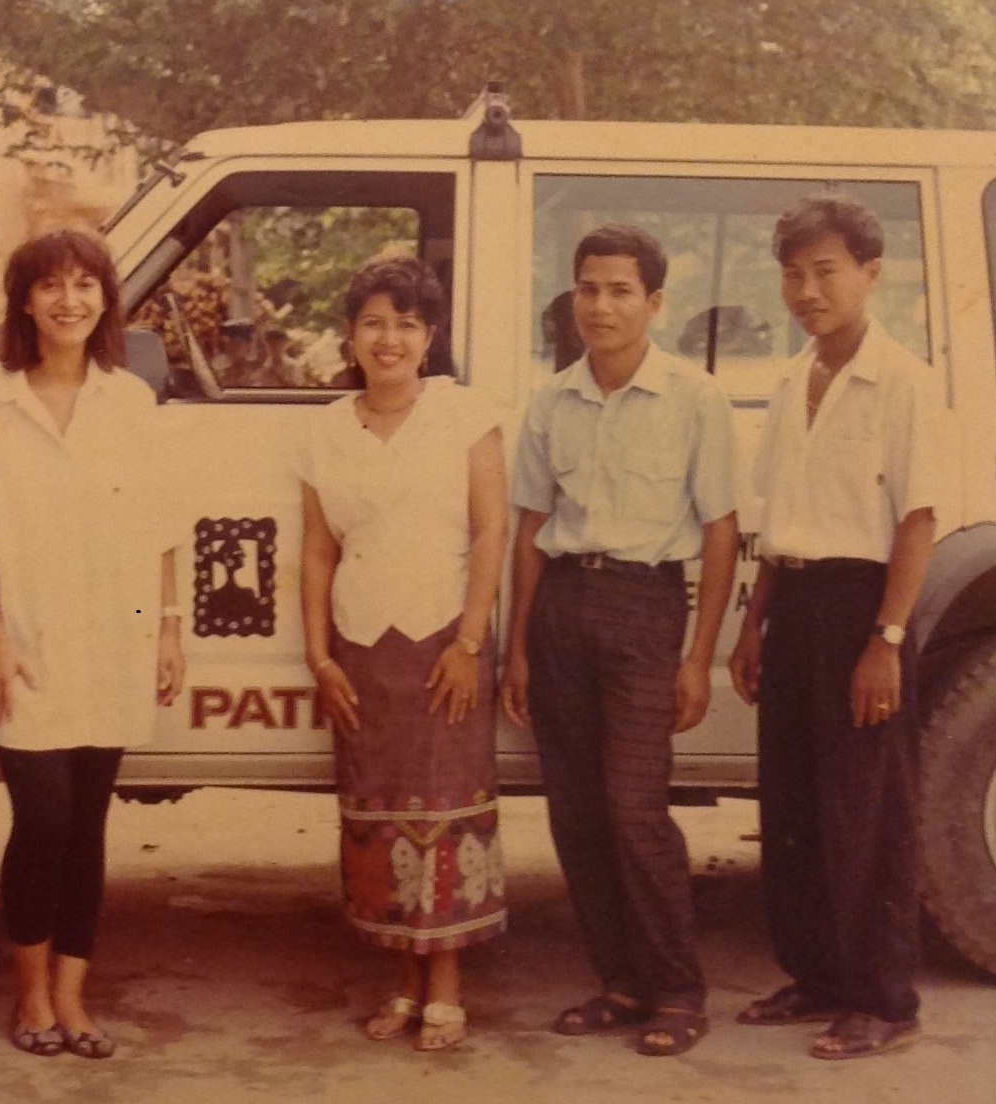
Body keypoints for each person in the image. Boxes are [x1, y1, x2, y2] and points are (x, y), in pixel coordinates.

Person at [0, 230, 186, 1060]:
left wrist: (169, 629)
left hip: (113, 635)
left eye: (85, 285)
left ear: (106, 300)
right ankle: (29, 992)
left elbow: (159, 525)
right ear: (23, 301)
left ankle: (72, 998)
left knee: (86, 826)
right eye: (50, 286)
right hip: (25, 640)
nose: (69, 301)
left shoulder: (130, 400)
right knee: (40, 817)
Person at [503, 224, 739, 1057]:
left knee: (635, 811)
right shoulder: (550, 400)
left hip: (644, 612)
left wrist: (696, 658)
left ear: (654, 303)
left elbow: (719, 532)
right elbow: (531, 525)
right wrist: (519, 647)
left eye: (619, 291)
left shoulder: (691, 397)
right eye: (587, 289)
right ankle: (622, 981)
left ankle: (677, 990)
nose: (599, 306)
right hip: (561, 606)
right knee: (574, 813)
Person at [728, 195, 947, 1060]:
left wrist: (885, 640)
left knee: (866, 813)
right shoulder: (792, 380)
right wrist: (751, 627)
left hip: (864, 606)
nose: (807, 289)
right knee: (792, 805)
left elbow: (917, 520)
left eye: (825, 271)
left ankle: (883, 999)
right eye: (792, 273)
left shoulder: (903, 381)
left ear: (869, 272)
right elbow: (780, 517)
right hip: (795, 606)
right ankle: (816, 974)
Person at [299, 255, 510, 1052]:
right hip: (361, 648)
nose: (389, 339)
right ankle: (398, 978)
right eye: (373, 322)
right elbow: (318, 551)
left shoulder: (463, 415)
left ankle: (445, 986)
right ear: (351, 335)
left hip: (440, 643)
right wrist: (321, 658)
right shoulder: (325, 427)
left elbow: (491, 529)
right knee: (378, 813)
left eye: (407, 324)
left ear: (430, 336)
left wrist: (467, 639)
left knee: (442, 814)